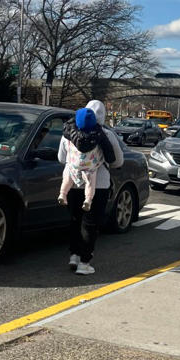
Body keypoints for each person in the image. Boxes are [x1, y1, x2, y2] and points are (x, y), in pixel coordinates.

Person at [58, 98, 123, 276]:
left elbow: (61, 158)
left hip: (72, 181)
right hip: (98, 184)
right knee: (90, 224)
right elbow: (118, 161)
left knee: (75, 220)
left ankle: (74, 255)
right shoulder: (106, 135)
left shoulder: (68, 132)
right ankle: (85, 263)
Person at [57, 106, 114, 211]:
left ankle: (62, 194)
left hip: (73, 169)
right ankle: (88, 200)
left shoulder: (67, 135)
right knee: (90, 183)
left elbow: (61, 158)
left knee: (67, 179)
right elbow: (112, 157)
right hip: (90, 169)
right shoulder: (102, 135)